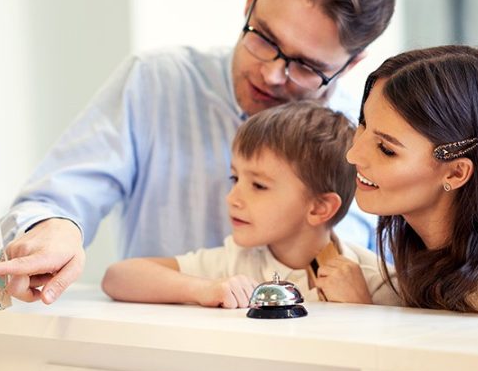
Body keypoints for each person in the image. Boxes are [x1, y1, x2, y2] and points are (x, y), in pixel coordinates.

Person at [0, 0, 396, 304]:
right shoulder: (156, 83)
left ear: (353, 63)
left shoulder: (371, 140)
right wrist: (56, 230)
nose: (272, 73)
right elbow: (55, 199)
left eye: (306, 66)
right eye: (265, 38)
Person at [101, 102, 400, 307]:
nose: (233, 198)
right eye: (235, 179)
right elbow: (118, 277)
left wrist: (360, 307)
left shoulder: (376, 281)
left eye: (258, 185)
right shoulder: (235, 261)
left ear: (319, 208)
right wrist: (203, 289)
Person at [340, 45, 478, 317]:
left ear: (455, 173)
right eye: (363, 124)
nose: (352, 154)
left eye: (386, 149)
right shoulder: (421, 260)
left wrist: (361, 313)